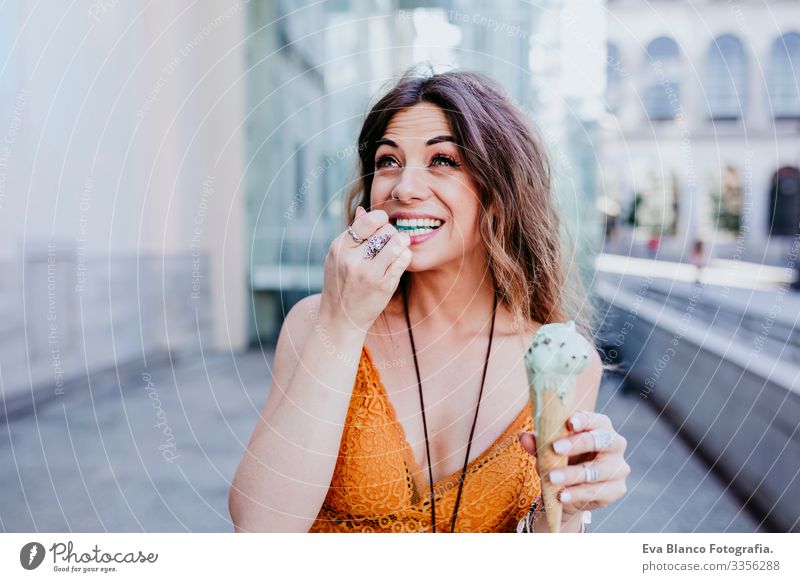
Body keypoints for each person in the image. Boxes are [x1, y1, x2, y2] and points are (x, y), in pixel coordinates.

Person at [229, 68, 629, 533]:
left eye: (442, 160)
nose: (404, 188)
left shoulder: (560, 358)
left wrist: (569, 508)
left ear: (499, 192)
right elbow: (259, 528)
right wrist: (342, 323)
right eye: (387, 161)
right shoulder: (316, 322)